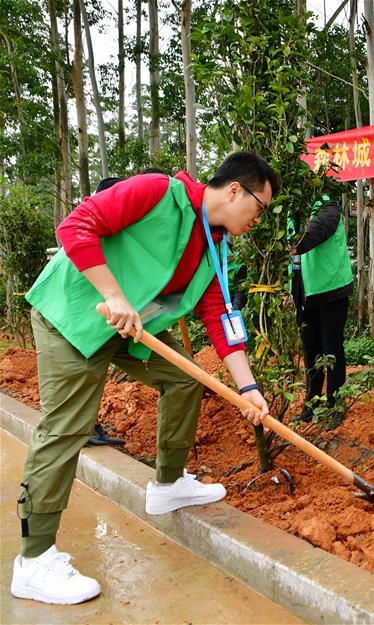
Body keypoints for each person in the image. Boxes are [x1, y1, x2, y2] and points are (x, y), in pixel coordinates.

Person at [11, 152, 278, 605]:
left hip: (131, 333)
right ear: (235, 190)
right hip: (74, 316)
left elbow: (219, 316)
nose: (260, 219)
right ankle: (33, 561)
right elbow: (76, 227)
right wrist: (113, 295)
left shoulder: (214, 246)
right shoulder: (157, 192)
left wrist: (249, 389)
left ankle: (168, 486)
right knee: (68, 426)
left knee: (184, 379)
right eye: (261, 207)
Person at [85, 168, 173, 448]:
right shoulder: (119, 193)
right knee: (89, 366)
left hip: (116, 303)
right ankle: (86, 428)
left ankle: (88, 426)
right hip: (100, 300)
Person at [291, 195, 353, 431]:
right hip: (306, 293)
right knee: (311, 349)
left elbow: (319, 229)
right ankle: (312, 404)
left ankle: (335, 404)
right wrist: (292, 289)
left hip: (331, 289)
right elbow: (295, 261)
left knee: (332, 350)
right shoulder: (289, 209)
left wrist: (294, 244)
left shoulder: (327, 205)